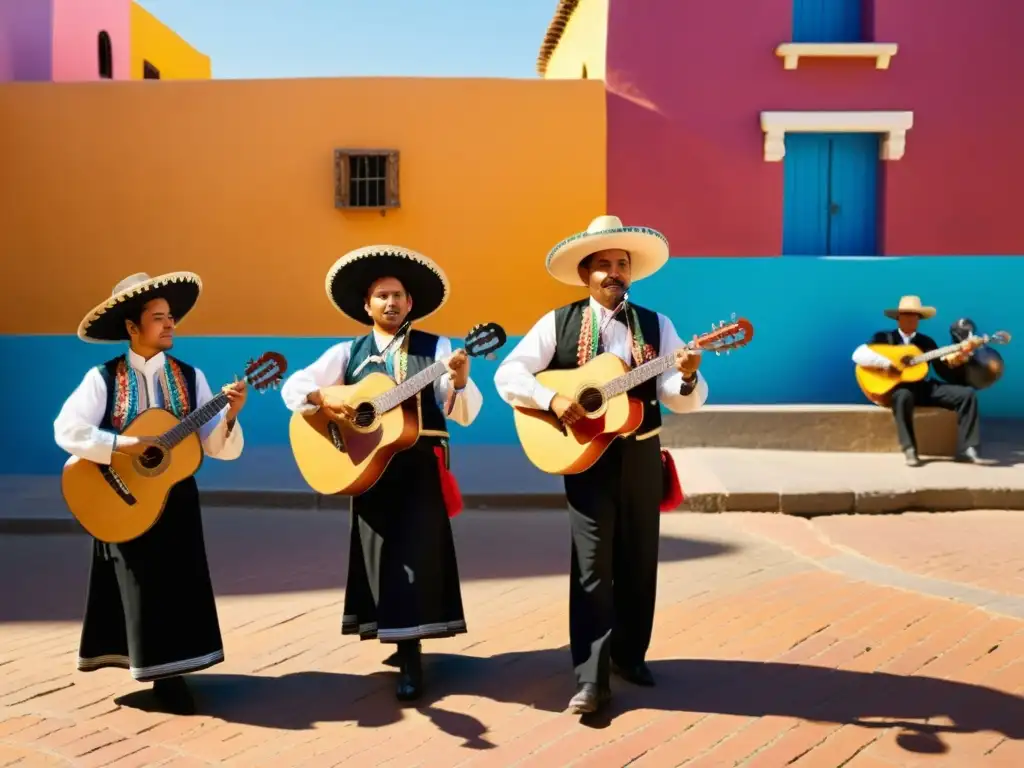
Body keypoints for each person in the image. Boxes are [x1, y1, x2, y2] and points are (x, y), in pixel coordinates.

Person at [493, 215, 708, 714]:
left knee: (638, 559)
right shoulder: (558, 323)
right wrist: (551, 400)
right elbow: (509, 374)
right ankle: (590, 679)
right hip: (585, 458)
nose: (615, 272)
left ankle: (630, 656)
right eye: (605, 265)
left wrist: (689, 377)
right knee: (592, 567)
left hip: (639, 454)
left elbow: (677, 397)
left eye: (622, 265)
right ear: (586, 273)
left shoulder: (658, 326)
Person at [280, 245, 483, 702]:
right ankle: (397, 637)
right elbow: (294, 390)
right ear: (367, 306)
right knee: (382, 559)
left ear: (411, 304)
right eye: (382, 295)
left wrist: (461, 380)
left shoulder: (438, 349)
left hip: (416, 468)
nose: (391, 302)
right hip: (366, 467)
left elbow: (464, 411)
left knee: (415, 557)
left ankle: (411, 657)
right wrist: (328, 398)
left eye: (399, 295)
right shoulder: (345, 352)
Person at [54, 271, 248, 714]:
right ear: (131, 327)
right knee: (136, 583)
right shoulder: (103, 378)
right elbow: (67, 429)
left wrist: (230, 415)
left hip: (175, 497)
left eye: (171, 317)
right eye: (158, 318)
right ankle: (149, 667)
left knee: (179, 583)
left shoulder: (191, 376)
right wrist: (125, 444)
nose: (169, 325)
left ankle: (173, 673)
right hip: (120, 493)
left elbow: (217, 446)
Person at [851, 295, 980, 466]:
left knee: (967, 395)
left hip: (923, 386)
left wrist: (960, 357)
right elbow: (859, 355)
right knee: (903, 397)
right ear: (898, 318)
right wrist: (887, 364)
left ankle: (967, 448)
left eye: (915, 316)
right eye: (907, 315)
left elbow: (943, 367)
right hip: (898, 387)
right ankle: (909, 449)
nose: (911, 319)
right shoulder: (884, 338)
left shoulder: (926, 342)